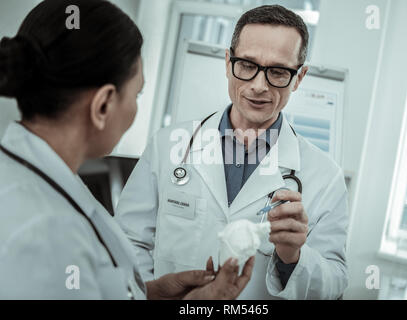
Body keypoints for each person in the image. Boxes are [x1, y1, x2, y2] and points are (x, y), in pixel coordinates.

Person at [0, 0, 254, 299]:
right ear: (103, 105)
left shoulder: (34, 180)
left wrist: (148, 293)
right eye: (137, 94)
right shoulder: (49, 232)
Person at [116, 5, 349, 300]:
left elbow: (334, 285)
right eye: (247, 65)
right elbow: (126, 243)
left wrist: (293, 258)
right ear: (228, 62)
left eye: (277, 72)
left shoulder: (325, 177)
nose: (258, 86)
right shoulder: (168, 146)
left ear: (299, 78)